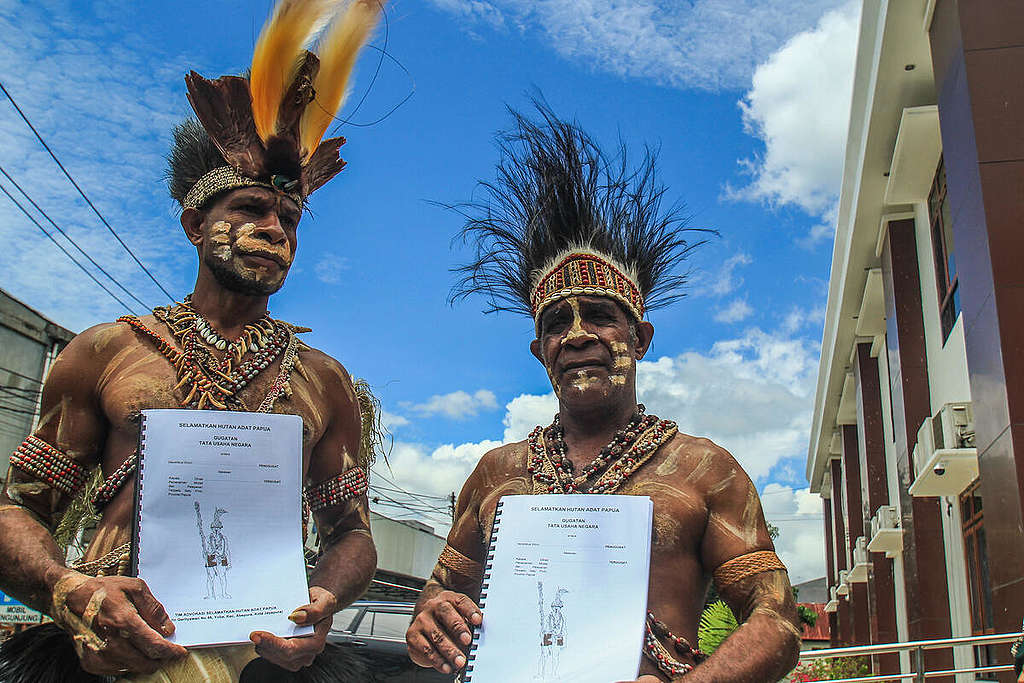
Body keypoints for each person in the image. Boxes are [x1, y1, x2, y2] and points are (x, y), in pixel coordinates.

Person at [0, 1, 384, 680]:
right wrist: (71, 592)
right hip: (112, 656)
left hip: (264, 656)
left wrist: (325, 597)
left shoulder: (325, 382)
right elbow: (19, 510)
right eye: (250, 209)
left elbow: (350, 532)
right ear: (191, 225)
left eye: (290, 217)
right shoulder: (107, 352)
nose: (275, 228)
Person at [406, 102, 802, 682]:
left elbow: (777, 620)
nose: (576, 336)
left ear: (639, 338)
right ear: (540, 352)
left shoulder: (703, 470)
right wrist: (430, 620)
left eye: (599, 316)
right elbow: (440, 594)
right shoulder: (497, 473)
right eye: (555, 325)